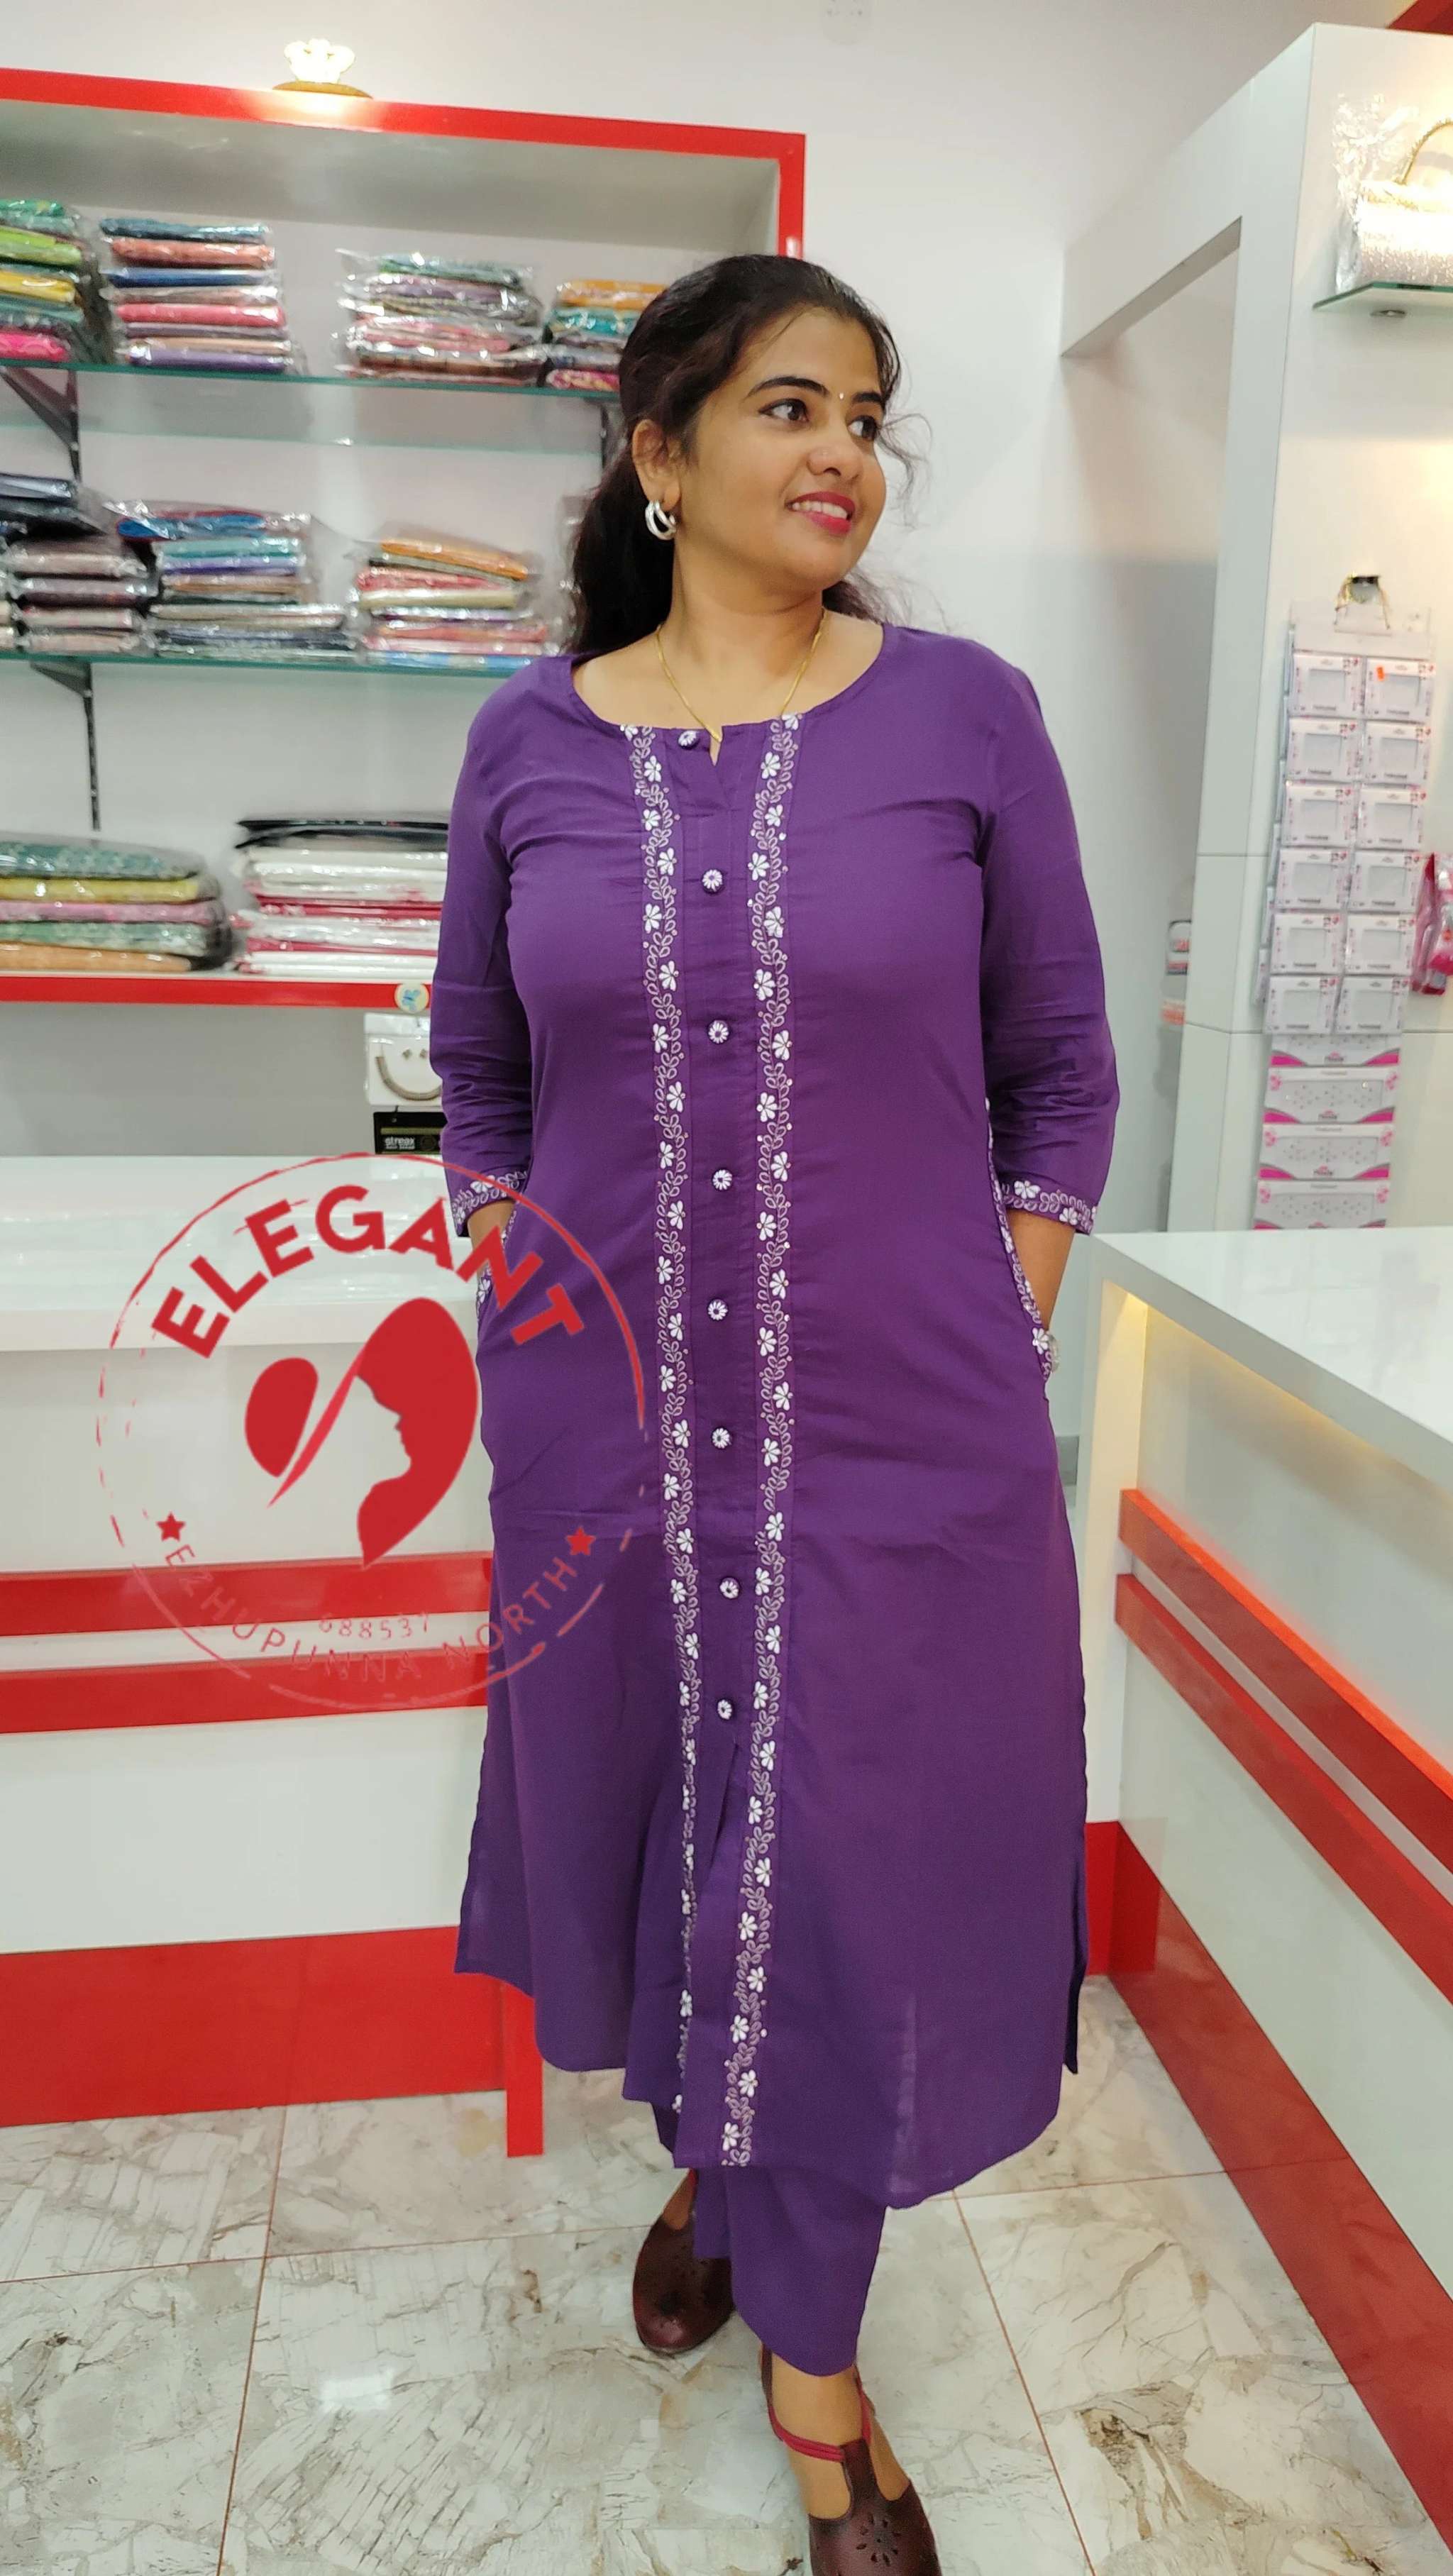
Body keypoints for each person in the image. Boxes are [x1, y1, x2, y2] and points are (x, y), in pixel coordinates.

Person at [430, 250, 1119, 2576]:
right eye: (791, 407)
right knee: (670, 1821)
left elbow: (1061, 1073)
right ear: (660, 451)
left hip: (906, 1447)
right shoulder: (527, 746)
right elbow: (481, 1072)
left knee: (855, 1878)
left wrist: (998, 1314)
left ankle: (816, 2386)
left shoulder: (965, 719)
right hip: (609, 1440)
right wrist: (513, 1274)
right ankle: (721, 2186)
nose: (845, 455)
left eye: (868, 415)